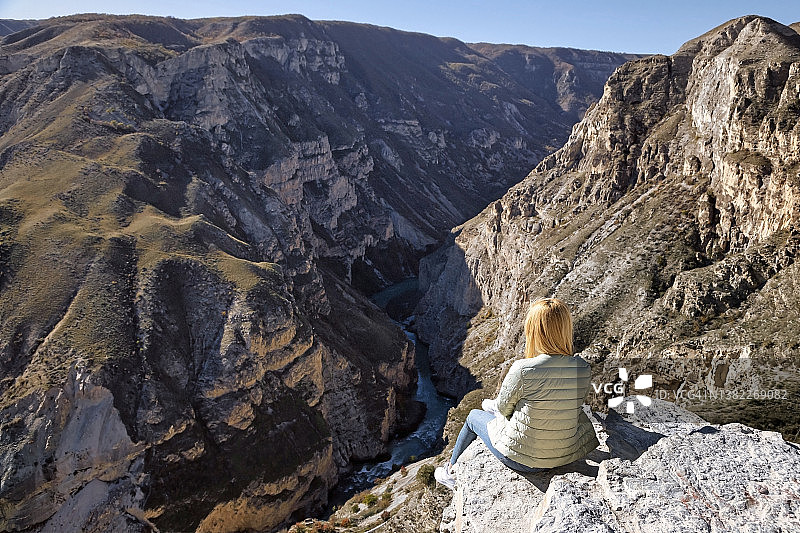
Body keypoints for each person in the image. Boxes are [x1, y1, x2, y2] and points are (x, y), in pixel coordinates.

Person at [434, 297, 599, 490]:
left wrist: (497, 407)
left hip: (523, 461)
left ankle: (450, 470)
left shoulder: (523, 369)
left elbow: (504, 410)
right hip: (566, 456)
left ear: (534, 331)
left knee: (472, 417)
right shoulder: (582, 368)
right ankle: (490, 407)